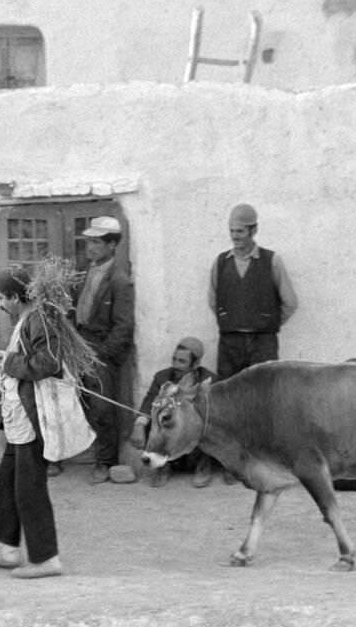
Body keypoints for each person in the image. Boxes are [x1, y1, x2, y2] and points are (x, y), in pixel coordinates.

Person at [0, 266, 87, 579]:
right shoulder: (26, 321)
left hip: (33, 420)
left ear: (16, 297)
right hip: (18, 420)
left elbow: (48, 362)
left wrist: (9, 362)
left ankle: (46, 559)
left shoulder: (39, 320)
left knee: (29, 488)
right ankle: (9, 549)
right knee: (7, 484)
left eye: (2, 298)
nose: (0, 304)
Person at [72, 216, 135, 484]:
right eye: (89, 241)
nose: (91, 247)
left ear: (112, 246)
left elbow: (123, 326)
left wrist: (102, 354)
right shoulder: (84, 271)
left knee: (102, 407)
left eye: (97, 242)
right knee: (78, 402)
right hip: (78, 342)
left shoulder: (120, 281)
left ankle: (105, 461)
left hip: (100, 347)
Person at [208, 203, 299, 380]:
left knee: (263, 391)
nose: (235, 236)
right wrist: (231, 319)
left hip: (262, 343)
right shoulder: (220, 262)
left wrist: (268, 323)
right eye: (232, 231)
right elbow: (213, 300)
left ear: (253, 230)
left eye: (240, 231)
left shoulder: (272, 261)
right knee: (228, 393)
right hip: (230, 342)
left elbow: (290, 302)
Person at [129, 337, 216, 488]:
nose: (175, 365)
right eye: (174, 359)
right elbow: (149, 402)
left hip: (194, 432)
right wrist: (139, 425)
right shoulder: (162, 377)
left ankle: (203, 465)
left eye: (182, 361)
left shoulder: (208, 380)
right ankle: (163, 467)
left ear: (195, 364)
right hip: (172, 429)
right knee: (157, 418)